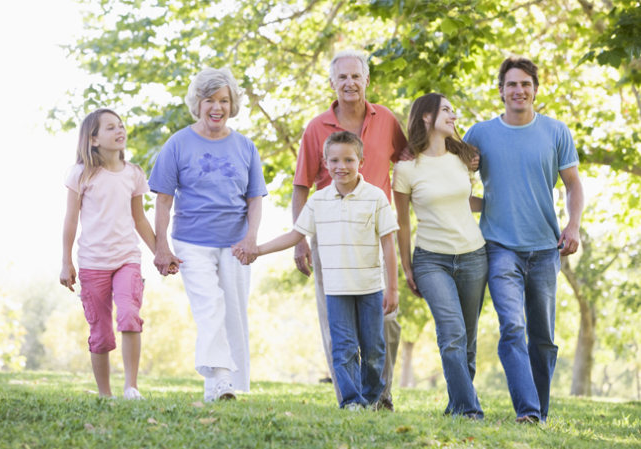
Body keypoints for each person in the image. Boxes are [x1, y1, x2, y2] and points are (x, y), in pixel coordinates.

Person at [236, 131, 399, 409]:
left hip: (370, 287)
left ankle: (373, 399)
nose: (341, 166)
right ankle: (351, 401)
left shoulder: (376, 197)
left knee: (374, 350)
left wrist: (392, 288)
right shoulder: (318, 200)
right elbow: (294, 235)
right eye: (334, 160)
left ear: (361, 160)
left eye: (349, 159)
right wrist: (257, 249)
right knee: (344, 348)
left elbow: (388, 245)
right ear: (325, 162)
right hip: (336, 290)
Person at [464, 57, 584, 423]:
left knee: (543, 337)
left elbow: (574, 185)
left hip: (547, 249)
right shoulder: (479, 134)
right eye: (512, 84)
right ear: (500, 90)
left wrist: (573, 225)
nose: (519, 90)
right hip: (499, 247)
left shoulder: (556, 131)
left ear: (535, 90)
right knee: (512, 328)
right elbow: (449, 178)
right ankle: (528, 412)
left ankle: (540, 411)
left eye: (525, 84)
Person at [291, 49, 408, 410]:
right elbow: (301, 186)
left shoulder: (386, 119)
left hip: (377, 237)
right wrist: (300, 242)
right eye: (342, 77)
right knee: (337, 325)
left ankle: (380, 395)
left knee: (385, 323)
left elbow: (411, 160)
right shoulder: (316, 127)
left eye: (355, 76)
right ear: (332, 83)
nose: (349, 82)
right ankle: (351, 398)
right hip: (332, 240)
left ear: (367, 80)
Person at [149, 67, 268, 402]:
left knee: (232, 310)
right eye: (210, 100)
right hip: (191, 242)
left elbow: (255, 199)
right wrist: (161, 246)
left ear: (232, 105)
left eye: (224, 100)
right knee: (209, 306)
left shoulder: (246, 147)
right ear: (197, 103)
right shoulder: (178, 143)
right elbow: (163, 199)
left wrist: (251, 238)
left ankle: (216, 385)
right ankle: (223, 380)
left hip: (235, 243)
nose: (217, 107)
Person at [392, 93, 487, 418]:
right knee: (452, 333)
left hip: (474, 256)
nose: (453, 116)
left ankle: (457, 402)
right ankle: (468, 409)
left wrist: (495, 207)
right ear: (426, 118)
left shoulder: (463, 157)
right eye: (446, 110)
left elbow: (465, 200)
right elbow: (403, 223)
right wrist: (406, 266)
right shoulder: (406, 168)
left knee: (468, 341)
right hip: (431, 260)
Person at [60, 108, 161, 400]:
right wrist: (66, 262)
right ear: (93, 139)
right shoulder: (80, 174)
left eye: (121, 126)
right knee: (101, 332)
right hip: (92, 264)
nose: (119, 131)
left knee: (129, 314)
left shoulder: (134, 173)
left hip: (127, 259)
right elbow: (70, 220)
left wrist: (160, 253)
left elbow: (140, 219)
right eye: (110, 128)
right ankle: (106, 394)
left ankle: (131, 387)